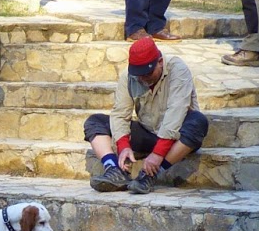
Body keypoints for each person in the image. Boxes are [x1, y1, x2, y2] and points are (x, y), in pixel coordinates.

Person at [84, 35, 209, 196]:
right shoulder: (128, 77)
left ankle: (150, 175)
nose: (143, 79)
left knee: (198, 122)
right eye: (139, 75)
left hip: (177, 138)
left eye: (147, 74)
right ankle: (114, 170)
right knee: (95, 122)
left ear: (160, 62)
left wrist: (157, 155)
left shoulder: (178, 70)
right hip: (148, 132)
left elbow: (176, 113)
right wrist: (123, 146)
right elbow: (120, 113)